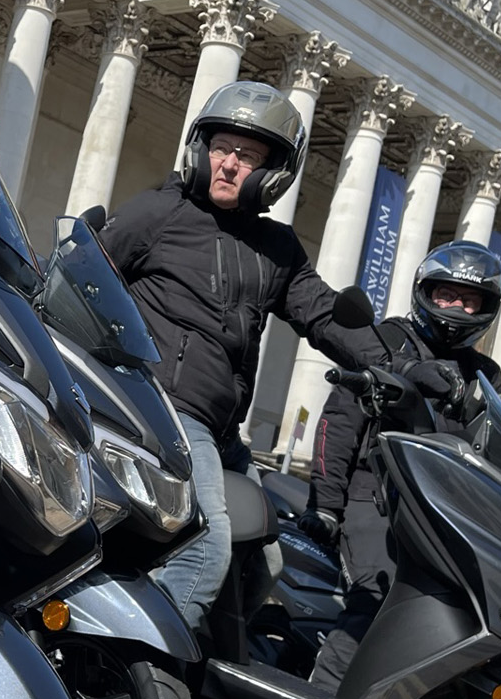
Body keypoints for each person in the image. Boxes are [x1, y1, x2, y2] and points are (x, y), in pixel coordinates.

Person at [96, 81, 383, 642]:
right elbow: (85, 273)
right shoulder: (160, 212)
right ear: (200, 149)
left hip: (225, 433)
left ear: (274, 173)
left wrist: (393, 359)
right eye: (221, 148)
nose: (228, 164)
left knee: (267, 563)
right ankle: (142, 674)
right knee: (206, 549)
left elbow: (323, 314)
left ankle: (202, 674)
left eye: (247, 156)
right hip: (165, 411)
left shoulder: (278, 249)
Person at [291, 241, 501, 699]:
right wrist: (327, 504)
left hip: (442, 515)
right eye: (446, 294)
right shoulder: (387, 340)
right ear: (425, 292)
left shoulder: (485, 375)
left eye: (468, 299)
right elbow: (337, 423)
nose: (456, 308)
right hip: (375, 497)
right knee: (378, 596)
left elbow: (494, 448)